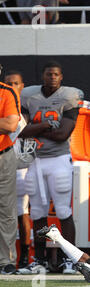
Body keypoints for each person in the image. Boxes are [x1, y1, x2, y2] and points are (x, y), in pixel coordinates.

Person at [18, 60, 84, 275]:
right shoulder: (29, 95)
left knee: (64, 210)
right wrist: (46, 126)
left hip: (58, 159)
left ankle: (69, 259)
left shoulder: (69, 96)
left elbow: (62, 134)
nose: (52, 77)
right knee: (37, 212)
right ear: (43, 76)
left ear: (61, 76)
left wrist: (35, 129)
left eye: (56, 74)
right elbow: (22, 131)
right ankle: (40, 260)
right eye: (49, 74)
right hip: (35, 160)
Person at [3, 70, 32, 269]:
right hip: (13, 159)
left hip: (11, 159)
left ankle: (10, 260)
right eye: (10, 82)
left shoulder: (7, 94)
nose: (14, 86)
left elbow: (11, 124)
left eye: (17, 83)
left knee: (14, 211)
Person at [0, 64, 21, 275]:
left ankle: (5, 260)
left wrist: (4, 123)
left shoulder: (6, 92)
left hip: (3, 156)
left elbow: (10, 125)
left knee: (6, 210)